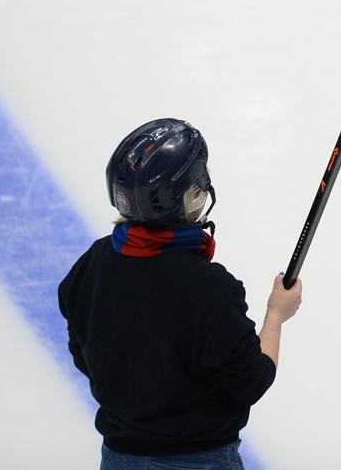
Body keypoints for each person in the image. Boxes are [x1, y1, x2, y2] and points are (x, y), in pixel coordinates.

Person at [58, 118, 302, 470]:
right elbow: (252, 381)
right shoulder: (209, 289)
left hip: (119, 458)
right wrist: (276, 313)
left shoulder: (91, 266)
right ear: (190, 196)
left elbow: (84, 355)